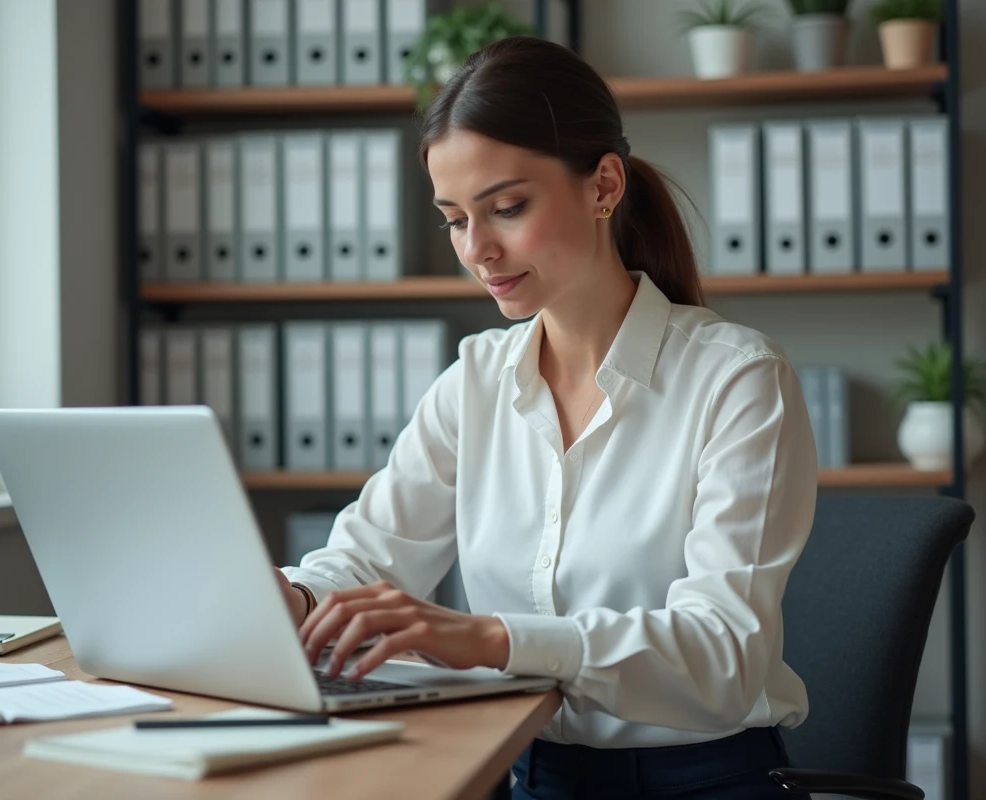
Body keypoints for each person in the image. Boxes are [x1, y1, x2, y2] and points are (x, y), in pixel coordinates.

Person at [275, 35, 817, 800]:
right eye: (455, 219)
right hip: (524, 772)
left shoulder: (737, 380)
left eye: (507, 208)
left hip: (703, 780)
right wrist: (294, 597)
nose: (478, 250)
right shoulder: (476, 380)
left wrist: (490, 639)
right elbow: (366, 562)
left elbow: (722, 656)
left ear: (603, 185)